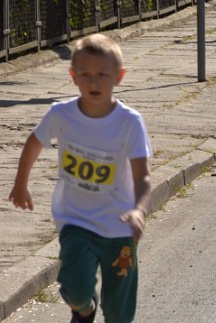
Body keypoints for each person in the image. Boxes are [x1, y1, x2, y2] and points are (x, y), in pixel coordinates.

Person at [8, 34, 153, 323]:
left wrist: (139, 210)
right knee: (74, 287)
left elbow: (143, 176)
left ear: (119, 77)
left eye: (102, 75)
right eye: (85, 74)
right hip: (76, 221)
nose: (94, 82)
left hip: (119, 227)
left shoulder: (129, 122)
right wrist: (20, 183)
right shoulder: (61, 115)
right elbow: (34, 142)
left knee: (118, 311)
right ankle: (85, 310)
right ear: (73, 76)